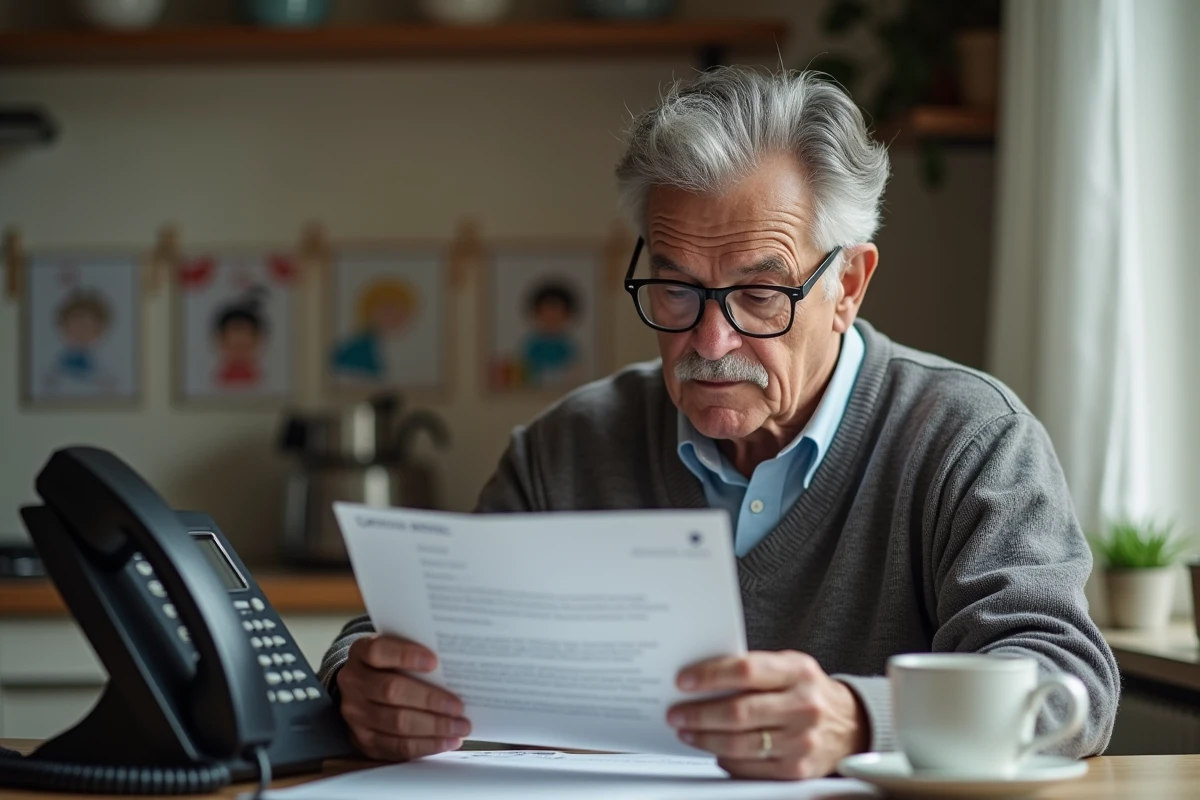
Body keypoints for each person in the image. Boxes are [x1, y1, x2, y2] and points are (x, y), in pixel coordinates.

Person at [317, 67, 1119, 780]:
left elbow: (1068, 685)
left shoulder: (969, 438)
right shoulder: (569, 448)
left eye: (760, 294)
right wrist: (360, 680)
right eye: (676, 290)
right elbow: (412, 630)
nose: (710, 341)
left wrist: (861, 719)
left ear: (847, 285)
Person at [520, 280, 580, 386]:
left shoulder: (567, 345)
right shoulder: (533, 344)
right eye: (547, 315)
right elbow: (526, 367)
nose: (552, 319)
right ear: (537, 314)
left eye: (557, 315)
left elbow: (574, 367)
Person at [211, 287, 268, 387]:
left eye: (243, 346)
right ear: (221, 340)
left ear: (257, 340)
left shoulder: (263, 380)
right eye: (234, 345)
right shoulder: (215, 381)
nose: (239, 352)